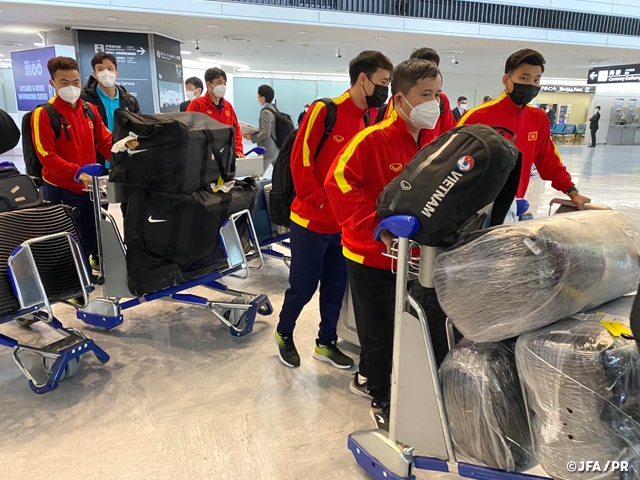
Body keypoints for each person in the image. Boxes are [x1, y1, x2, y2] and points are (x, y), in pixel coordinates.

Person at [325, 59, 442, 429]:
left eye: (437, 94)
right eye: (425, 95)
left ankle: (377, 378)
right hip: (370, 255)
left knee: (407, 328)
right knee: (378, 332)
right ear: (400, 97)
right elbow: (338, 182)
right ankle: (382, 397)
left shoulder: (432, 142)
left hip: (412, 258)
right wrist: (374, 227)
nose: (434, 103)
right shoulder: (373, 139)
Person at [273, 50, 393, 370]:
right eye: (383, 82)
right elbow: (302, 161)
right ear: (363, 79)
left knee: (336, 288)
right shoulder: (325, 110)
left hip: (344, 227)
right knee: (303, 286)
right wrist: (324, 202)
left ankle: (326, 343)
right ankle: (284, 333)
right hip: (311, 221)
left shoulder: (370, 118)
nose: (386, 90)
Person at [458, 48, 591, 209]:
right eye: (524, 78)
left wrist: (572, 191)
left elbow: (549, 160)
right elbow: (453, 163)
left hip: (514, 206)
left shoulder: (538, 118)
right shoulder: (477, 116)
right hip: (473, 208)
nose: (531, 85)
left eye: (536, 80)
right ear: (506, 80)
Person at [32, 57, 112, 267]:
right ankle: (73, 286)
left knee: (93, 231)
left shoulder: (89, 110)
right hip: (62, 188)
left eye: (75, 82)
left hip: (90, 187)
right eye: (64, 83)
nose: (71, 87)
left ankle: (93, 262)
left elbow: (105, 141)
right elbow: (46, 155)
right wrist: (75, 172)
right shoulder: (44, 113)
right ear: (53, 84)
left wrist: (125, 157)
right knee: (67, 239)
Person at [375, 47, 456, 142]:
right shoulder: (376, 139)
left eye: (436, 95)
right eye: (426, 95)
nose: (433, 101)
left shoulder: (442, 100)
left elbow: (449, 131)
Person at [80, 51, 140, 163]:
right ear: (94, 74)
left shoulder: (130, 101)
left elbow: (138, 129)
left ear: (116, 72)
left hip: (124, 159)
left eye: (110, 68)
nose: (106, 73)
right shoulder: (83, 101)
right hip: (97, 160)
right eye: (101, 69)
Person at [187, 67, 244, 157]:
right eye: (220, 83)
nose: (223, 87)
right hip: (205, 157)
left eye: (225, 83)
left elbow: (236, 131)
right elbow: (188, 131)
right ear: (209, 84)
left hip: (227, 156)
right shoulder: (197, 105)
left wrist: (238, 151)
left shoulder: (228, 106)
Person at [242, 84, 278, 174]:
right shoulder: (273, 110)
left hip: (267, 150)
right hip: (275, 149)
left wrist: (252, 137)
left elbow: (266, 132)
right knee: (279, 176)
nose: (257, 97)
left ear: (262, 97)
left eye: (258, 95)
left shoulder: (265, 112)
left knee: (257, 174)